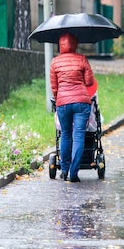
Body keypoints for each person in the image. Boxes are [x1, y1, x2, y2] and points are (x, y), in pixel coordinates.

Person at [50, 33, 95, 182]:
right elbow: (89, 82)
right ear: (75, 44)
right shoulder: (82, 59)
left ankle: (64, 170)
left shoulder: (55, 62)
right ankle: (74, 174)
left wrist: (58, 100)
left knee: (66, 134)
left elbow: (54, 88)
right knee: (78, 136)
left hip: (63, 102)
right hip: (82, 102)